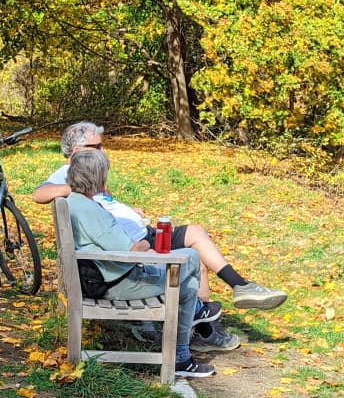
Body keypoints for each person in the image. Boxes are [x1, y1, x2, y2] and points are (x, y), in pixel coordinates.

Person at [32, 120, 286, 353]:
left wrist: (128, 210)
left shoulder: (87, 170)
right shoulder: (69, 173)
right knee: (194, 260)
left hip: (140, 234)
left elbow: (102, 205)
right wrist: (76, 187)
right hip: (131, 250)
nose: (102, 150)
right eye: (95, 146)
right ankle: (205, 328)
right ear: (74, 150)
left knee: (197, 234)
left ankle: (236, 291)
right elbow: (39, 194)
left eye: (101, 145)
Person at [65, 149, 213, 379]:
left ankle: (183, 353)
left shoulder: (73, 202)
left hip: (103, 277)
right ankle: (194, 323)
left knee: (189, 287)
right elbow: (130, 251)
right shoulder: (90, 210)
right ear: (98, 177)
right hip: (116, 283)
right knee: (191, 256)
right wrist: (144, 244)